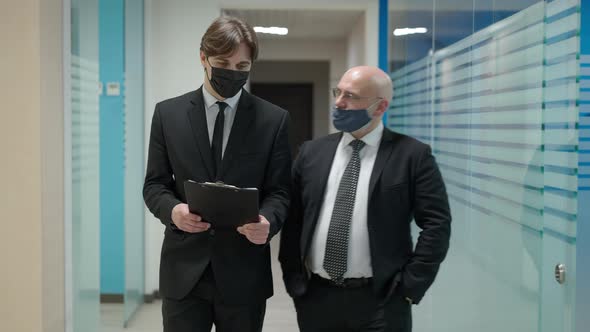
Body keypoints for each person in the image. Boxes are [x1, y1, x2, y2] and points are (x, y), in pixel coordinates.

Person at [143, 16, 291, 332]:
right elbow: (155, 184)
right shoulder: (168, 114)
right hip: (183, 271)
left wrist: (268, 221)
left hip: (244, 272)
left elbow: (280, 191)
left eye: (242, 66)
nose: (232, 72)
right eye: (223, 62)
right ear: (203, 58)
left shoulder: (273, 120)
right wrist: (173, 211)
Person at [279, 65, 451, 332]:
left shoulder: (412, 156)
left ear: (380, 107)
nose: (339, 102)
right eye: (338, 92)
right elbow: (293, 219)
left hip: (381, 299)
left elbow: (436, 224)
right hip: (316, 297)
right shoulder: (312, 153)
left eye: (351, 96)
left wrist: (410, 286)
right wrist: (294, 278)